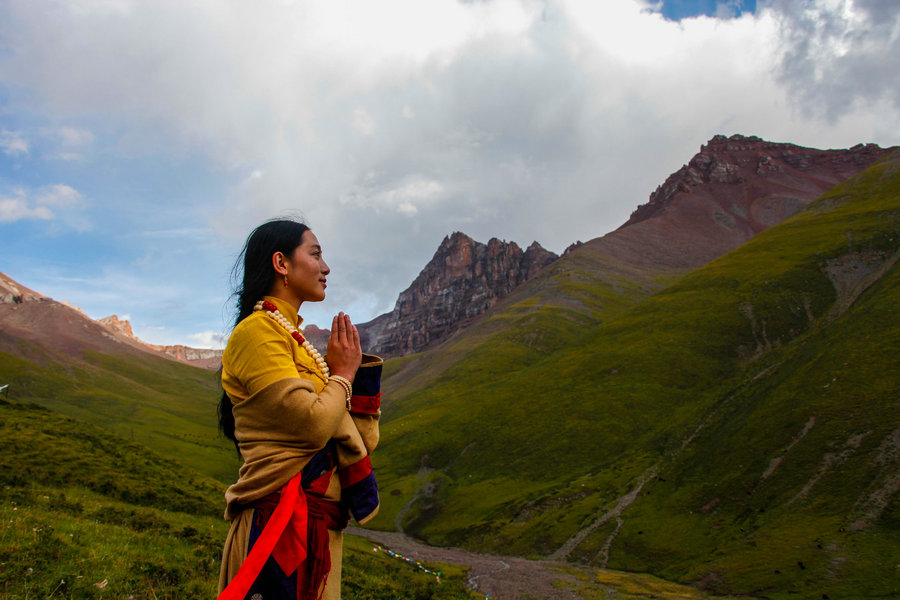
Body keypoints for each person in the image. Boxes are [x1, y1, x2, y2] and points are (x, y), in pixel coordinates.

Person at [217, 219, 380, 600]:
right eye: (316, 254)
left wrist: (353, 377)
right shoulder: (257, 332)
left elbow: (361, 440)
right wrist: (343, 375)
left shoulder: (293, 339)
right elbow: (312, 426)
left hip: (317, 527)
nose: (326, 268)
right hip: (279, 527)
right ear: (281, 264)